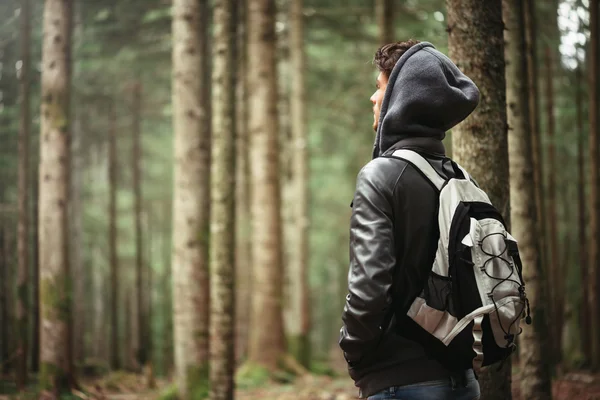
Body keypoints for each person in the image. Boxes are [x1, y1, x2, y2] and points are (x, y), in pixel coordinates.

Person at [339, 40, 482, 400]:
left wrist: (353, 351)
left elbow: (369, 287)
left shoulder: (381, 175)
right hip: (464, 381)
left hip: (399, 383)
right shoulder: (459, 177)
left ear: (401, 96)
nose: (373, 99)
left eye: (380, 87)